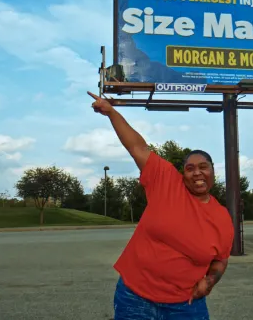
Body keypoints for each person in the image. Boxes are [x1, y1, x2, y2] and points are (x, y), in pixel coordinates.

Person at [88, 91, 235, 320]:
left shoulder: (222, 217)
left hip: (185, 305)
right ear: (182, 174)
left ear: (213, 172)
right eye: (190, 168)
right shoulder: (166, 181)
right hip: (135, 299)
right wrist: (110, 112)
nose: (197, 172)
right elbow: (137, 147)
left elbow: (220, 259)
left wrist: (210, 281)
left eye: (203, 166)